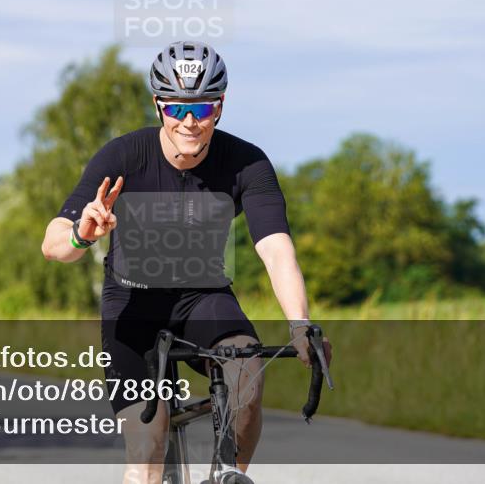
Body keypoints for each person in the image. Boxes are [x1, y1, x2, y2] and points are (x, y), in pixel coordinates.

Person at [41, 41, 333, 484]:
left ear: (221, 106)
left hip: (204, 297)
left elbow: (276, 249)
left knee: (246, 375)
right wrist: (82, 234)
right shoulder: (123, 157)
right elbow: (53, 244)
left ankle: (229, 474)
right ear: (158, 105)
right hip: (132, 304)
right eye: (178, 109)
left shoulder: (247, 163)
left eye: (203, 108)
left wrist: (300, 323)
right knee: (148, 447)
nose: (190, 122)